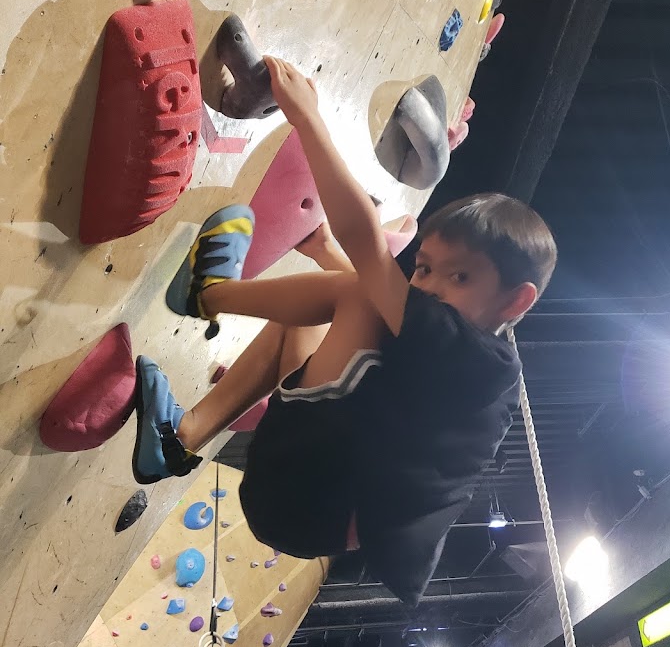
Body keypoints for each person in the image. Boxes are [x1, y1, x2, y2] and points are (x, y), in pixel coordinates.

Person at [133, 57, 557, 604]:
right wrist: (326, 251)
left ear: (516, 301)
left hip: (307, 498)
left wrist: (308, 119)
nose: (429, 286)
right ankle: (179, 439)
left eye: (460, 276)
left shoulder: (476, 361)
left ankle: (206, 293)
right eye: (425, 268)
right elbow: (371, 295)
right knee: (338, 307)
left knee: (362, 293)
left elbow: (367, 254)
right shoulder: (466, 360)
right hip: (316, 499)